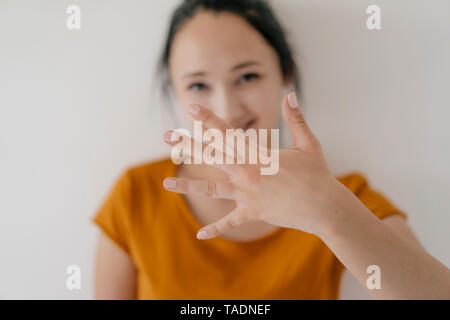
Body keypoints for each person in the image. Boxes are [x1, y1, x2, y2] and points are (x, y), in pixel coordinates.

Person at [93, 0, 450, 299]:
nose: (228, 109)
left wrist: (328, 213)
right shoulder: (135, 194)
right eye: (198, 84)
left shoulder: (342, 195)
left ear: (285, 73)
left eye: (247, 77)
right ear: (175, 90)